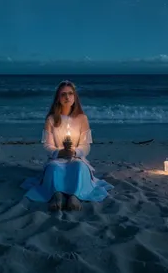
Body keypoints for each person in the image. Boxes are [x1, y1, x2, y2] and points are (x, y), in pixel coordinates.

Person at [21, 80, 113, 211]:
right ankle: (56, 194)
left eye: (70, 93)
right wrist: (59, 153)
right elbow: (47, 145)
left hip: (76, 157)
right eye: (63, 94)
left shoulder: (82, 118)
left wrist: (75, 152)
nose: (67, 97)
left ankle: (75, 196)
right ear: (58, 98)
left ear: (75, 97)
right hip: (57, 158)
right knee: (53, 168)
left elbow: (86, 146)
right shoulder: (51, 119)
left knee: (79, 167)